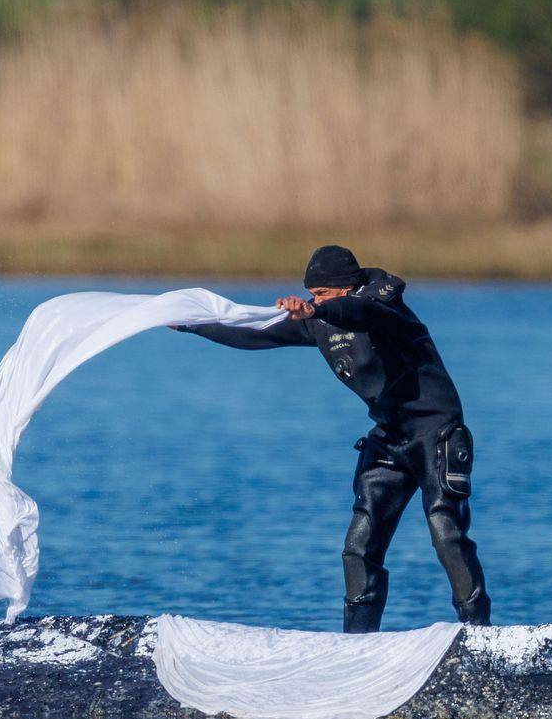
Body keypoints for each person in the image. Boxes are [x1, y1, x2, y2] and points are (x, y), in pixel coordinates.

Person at [176, 245, 490, 633]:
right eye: (311, 294)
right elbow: (254, 335)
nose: (313, 300)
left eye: (321, 294)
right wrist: (190, 325)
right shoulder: (319, 318)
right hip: (391, 437)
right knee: (359, 546)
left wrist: (317, 310)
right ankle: (357, 642)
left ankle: (479, 633)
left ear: (344, 288)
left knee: (447, 533)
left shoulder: (385, 306)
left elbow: (361, 313)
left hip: (436, 433)